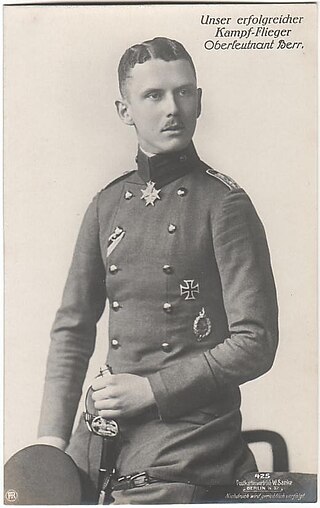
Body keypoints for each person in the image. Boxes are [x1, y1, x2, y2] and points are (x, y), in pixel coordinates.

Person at [38, 37, 278, 504]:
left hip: (191, 438)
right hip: (102, 433)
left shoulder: (224, 204)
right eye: (154, 96)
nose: (173, 108)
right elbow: (71, 329)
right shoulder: (106, 204)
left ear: (199, 100)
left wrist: (152, 389)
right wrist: (52, 439)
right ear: (125, 110)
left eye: (184, 92)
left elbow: (256, 342)